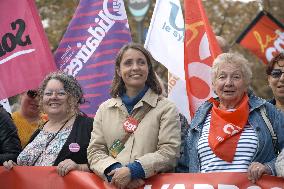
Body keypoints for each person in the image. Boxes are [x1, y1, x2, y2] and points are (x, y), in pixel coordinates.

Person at [176, 53, 284, 184]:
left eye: (236, 77)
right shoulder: (200, 118)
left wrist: (269, 168)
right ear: (214, 84)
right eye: (222, 77)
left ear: (246, 83)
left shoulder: (266, 112)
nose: (228, 83)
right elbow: (185, 167)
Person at [87, 43, 181, 189]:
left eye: (141, 62)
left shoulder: (166, 108)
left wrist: (133, 171)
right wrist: (118, 173)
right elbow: (95, 152)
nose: (135, 67)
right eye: (128, 63)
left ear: (148, 69)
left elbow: (169, 152)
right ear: (119, 70)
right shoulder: (104, 109)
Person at [4, 72, 93, 176]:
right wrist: (14, 168)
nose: (53, 97)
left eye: (61, 93)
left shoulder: (88, 126)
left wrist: (80, 167)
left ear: (74, 98)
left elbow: (108, 162)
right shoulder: (40, 129)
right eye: (48, 93)